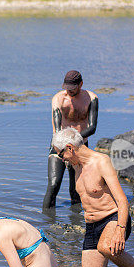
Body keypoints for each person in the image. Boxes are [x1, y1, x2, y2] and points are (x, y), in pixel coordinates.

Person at [51, 127, 134, 267]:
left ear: (70, 148)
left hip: (113, 218)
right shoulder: (76, 166)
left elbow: (122, 200)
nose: (62, 159)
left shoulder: (101, 162)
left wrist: (120, 229)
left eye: (61, 155)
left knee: (106, 246)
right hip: (91, 226)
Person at [43, 70, 98, 210]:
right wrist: (64, 147)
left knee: (77, 189)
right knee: (54, 184)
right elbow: (56, 127)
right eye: (66, 88)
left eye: (72, 89)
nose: (69, 92)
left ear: (81, 84)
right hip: (59, 145)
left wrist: (74, 142)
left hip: (79, 145)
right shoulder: (59, 99)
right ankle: (46, 222)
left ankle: (77, 222)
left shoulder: (91, 98)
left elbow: (92, 128)